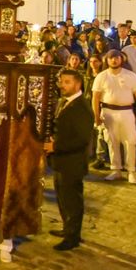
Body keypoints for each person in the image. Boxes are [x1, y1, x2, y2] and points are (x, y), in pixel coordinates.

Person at [44, 69, 93, 251]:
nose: (62, 86)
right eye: (61, 82)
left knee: (72, 199)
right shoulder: (64, 103)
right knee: (63, 197)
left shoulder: (81, 107)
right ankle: (67, 228)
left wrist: (55, 147)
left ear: (77, 84)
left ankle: (73, 236)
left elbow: (81, 138)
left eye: (67, 82)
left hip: (72, 162)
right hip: (61, 161)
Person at [91, 50, 136, 183]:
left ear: (121, 59)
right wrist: (96, 116)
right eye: (111, 58)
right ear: (107, 60)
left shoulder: (130, 75)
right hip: (108, 111)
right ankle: (116, 169)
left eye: (116, 58)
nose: (114, 60)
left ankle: (131, 171)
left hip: (126, 112)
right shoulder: (101, 76)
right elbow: (95, 98)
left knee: (130, 141)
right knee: (112, 141)